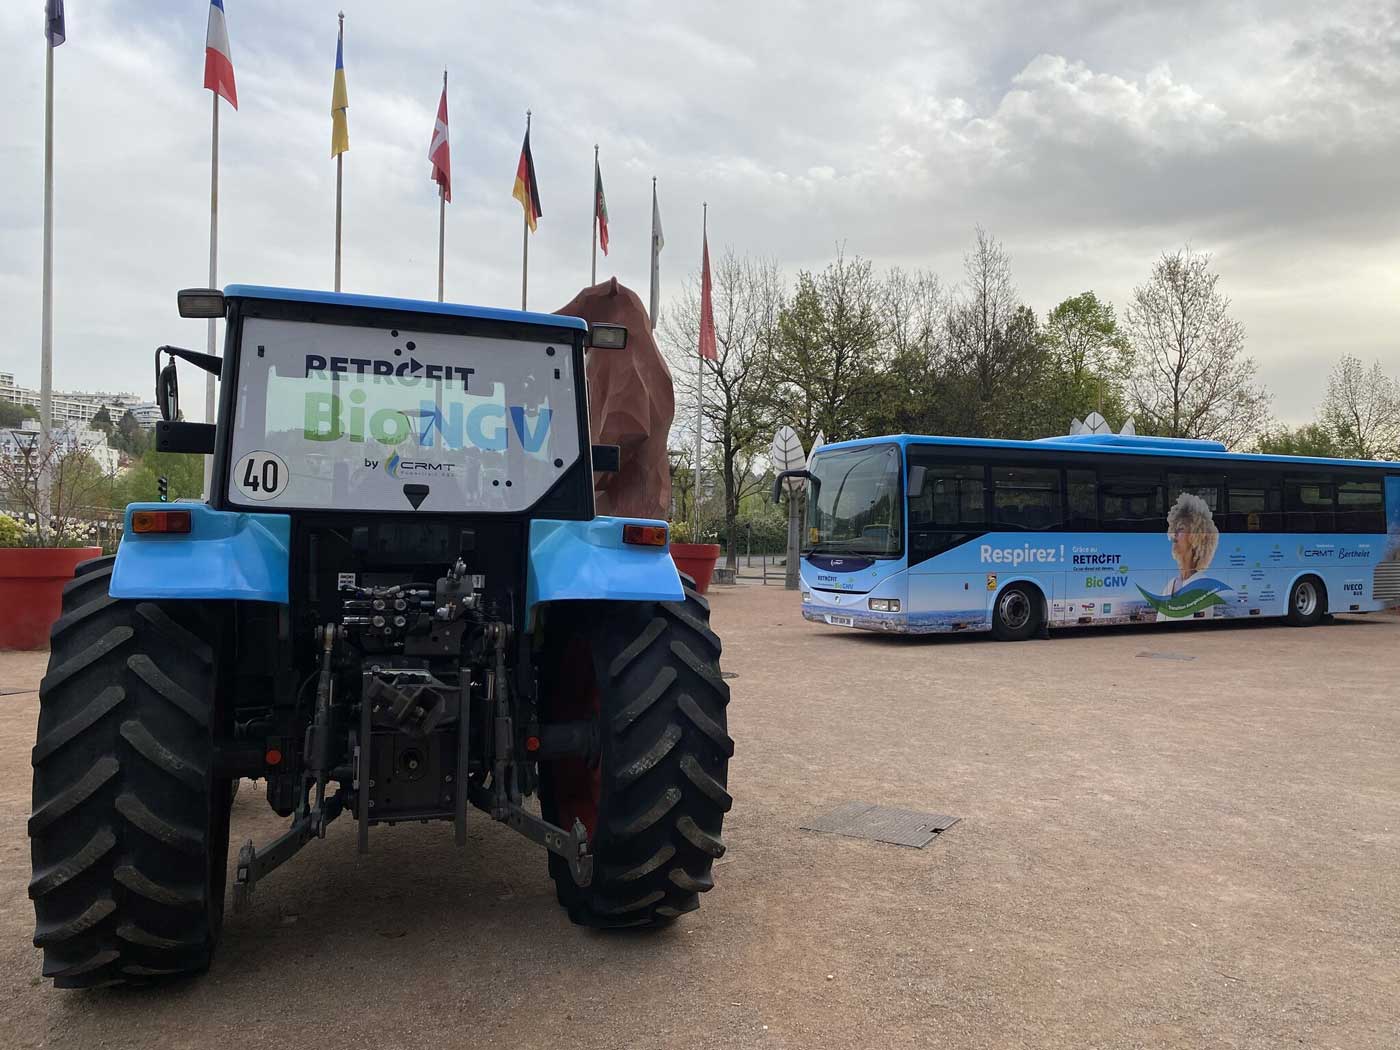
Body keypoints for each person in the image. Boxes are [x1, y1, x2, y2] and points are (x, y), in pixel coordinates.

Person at [1159, 492, 1221, 620]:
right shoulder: (1170, 585)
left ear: (1196, 537)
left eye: (1180, 529)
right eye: (1174, 528)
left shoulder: (1203, 585)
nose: (1174, 534)